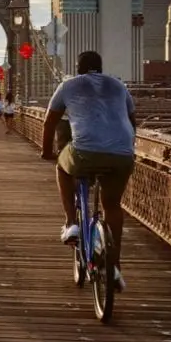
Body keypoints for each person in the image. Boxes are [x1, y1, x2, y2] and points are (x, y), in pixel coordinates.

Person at [40, 50, 136, 292]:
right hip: (123, 153)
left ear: (78, 68)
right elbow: (132, 121)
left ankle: (71, 223)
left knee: (63, 166)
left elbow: (50, 122)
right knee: (112, 205)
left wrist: (46, 152)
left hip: (85, 151)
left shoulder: (68, 85)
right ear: (100, 68)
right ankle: (114, 265)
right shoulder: (118, 85)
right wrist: (126, 147)